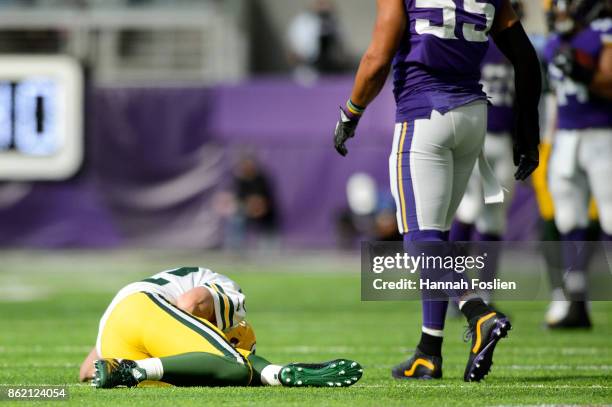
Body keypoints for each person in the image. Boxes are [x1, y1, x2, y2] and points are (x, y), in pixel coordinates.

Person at [333, 0, 541, 382]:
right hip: (473, 118)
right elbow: (526, 58)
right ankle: (428, 352)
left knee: (418, 240)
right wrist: (529, 131)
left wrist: (351, 112)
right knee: (437, 236)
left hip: (425, 115)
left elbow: (377, 58)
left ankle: (478, 312)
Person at [80, 266, 362, 388]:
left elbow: (87, 369)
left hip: (119, 336)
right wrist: (209, 346)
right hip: (144, 310)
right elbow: (191, 304)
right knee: (235, 366)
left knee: (203, 372)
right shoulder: (233, 296)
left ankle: (274, 373)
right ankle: (137, 370)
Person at [542, 0, 612, 327]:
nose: (557, 13)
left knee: (611, 217)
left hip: (601, 134)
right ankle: (575, 300)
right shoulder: (553, 43)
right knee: (569, 220)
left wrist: (584, 73)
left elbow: (608, 82)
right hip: (566, 138)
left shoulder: (602, 36)